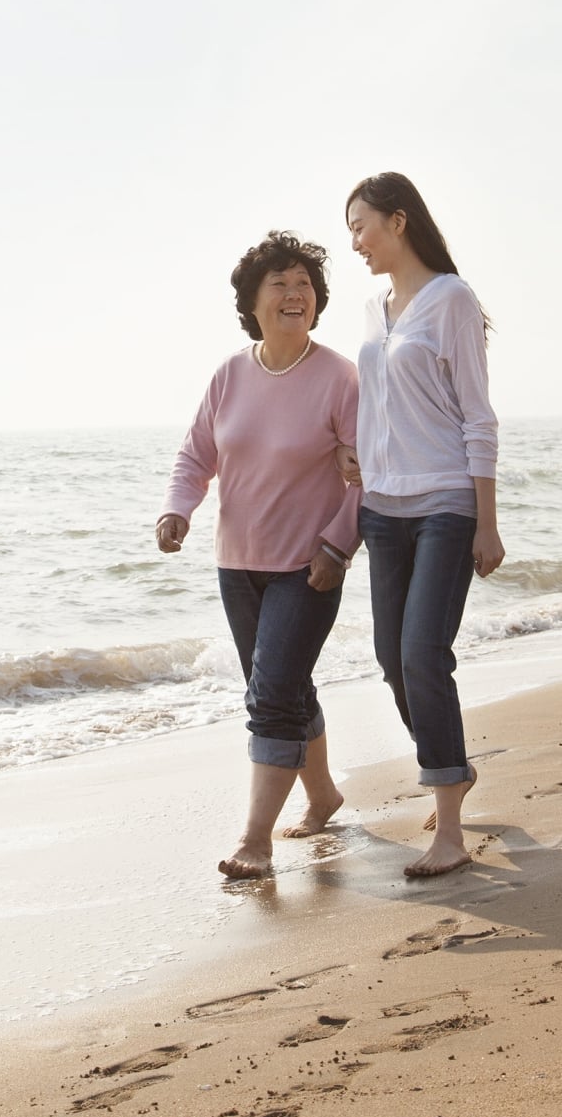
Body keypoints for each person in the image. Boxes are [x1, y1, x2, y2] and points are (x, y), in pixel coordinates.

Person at [156, 231, 360, 879]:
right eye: (278, 283)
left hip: (309, 566)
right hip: (235, 564)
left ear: (317, 300)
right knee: (281, 684)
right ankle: (322, 795)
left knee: (270, 695)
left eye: (303, 283)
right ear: (252, 301)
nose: (293, 292)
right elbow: (196, 456)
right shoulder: (228, 376)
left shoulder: (339, 378)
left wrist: (337, 543)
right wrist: (176, 509)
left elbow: (373, 475)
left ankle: (254, 841)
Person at [343, 172, 504, 879]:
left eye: (361, 226)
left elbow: (476, 414)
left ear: (398, 221)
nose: (354, 242)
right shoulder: (375, 308)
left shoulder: (451, 300)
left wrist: (486, 522)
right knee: (390, 659)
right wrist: (359, 457)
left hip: (443, 505)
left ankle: (448, 824)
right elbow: (378, 404)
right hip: (382, 509)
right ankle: (451, 769)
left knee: (421, 655)